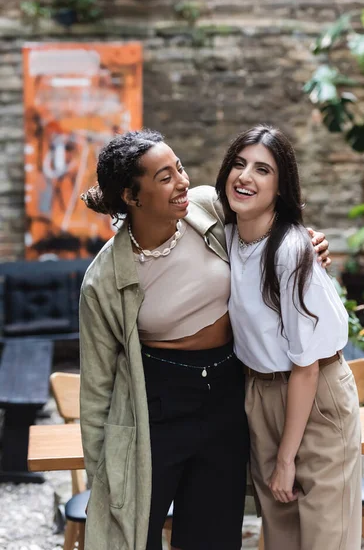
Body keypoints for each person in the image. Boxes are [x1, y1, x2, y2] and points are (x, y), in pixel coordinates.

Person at [79, 129, 330, 550]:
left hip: (226, 397)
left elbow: (268, 222)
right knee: (135, 533)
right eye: (164, 177)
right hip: (158, 405)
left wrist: (308, 240)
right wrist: (102, 474)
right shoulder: (104, 281)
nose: (181, 180)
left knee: (213, 537)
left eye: (178, 167)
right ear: (131, 196)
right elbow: (97, 386)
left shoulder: (206, 208)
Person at [215, 124, 361, 550]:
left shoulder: (292, 252)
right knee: (280, 534)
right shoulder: (225, 238)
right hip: (259, 393)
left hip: (313, 396)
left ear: (280, 188)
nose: (245, 177)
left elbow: (307, 367)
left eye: (263, 170)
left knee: (325, 536)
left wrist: (285, 459)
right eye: (239, 164)